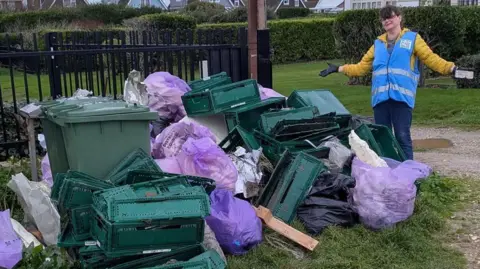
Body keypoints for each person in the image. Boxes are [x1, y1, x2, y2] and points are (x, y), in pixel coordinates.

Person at [319, 5, 456, 160]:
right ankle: (387, 174)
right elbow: (361, 68)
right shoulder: (378, 44)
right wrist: (339, 68)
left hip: (401, 99)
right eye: (384, 19)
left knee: (402, 136)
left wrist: (450, 68)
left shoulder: (412, 39)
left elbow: (431, 58)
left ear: (399, 18)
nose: (387, 21)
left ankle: (408, 174)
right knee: (383, 139)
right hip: (381, 100)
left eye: (390, 17)